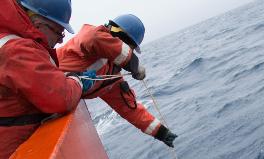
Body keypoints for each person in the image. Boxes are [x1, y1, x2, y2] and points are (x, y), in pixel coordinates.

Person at [57, 14, 178, 148]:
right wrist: (133, 63)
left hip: (54, 103)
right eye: (131, 48)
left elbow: (130, 109)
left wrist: (161, 133)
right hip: (39, 84)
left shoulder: (112, 78)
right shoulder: (92, 36)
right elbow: (93, 38)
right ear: (122, 38)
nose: (131, 52)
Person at [0, 0, 91, 159]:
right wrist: (76, 80)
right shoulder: (17, 48)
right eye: (58, 32)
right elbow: (61, 98)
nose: (60, 41)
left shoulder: (9, 40)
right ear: (38, 21)